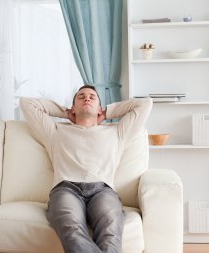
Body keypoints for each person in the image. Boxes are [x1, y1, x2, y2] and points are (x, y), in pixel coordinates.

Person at [20, 85, 152, 253]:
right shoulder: (55, 131)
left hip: (103, 190)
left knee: (111, 228)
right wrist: (66, 112)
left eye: (92, 97)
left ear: (99, 108)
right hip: (66, 189)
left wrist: (107, 112)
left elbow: (145, 104)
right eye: (81, 97)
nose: (87, 98)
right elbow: (27, 103)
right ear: (74, 107)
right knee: (72, 228)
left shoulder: (118, 132)